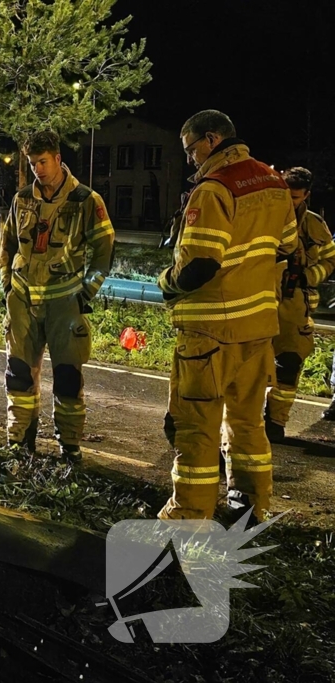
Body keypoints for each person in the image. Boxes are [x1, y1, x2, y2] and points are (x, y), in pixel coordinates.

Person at [157, 110, 297, 522]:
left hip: (211, 333)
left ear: (212, 139)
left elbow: (200, 264)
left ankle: (188, 515)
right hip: (258, 327)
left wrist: (166, 282)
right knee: (248, 422)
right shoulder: (274, 183)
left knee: (196, 426)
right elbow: (287, 245)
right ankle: (250, 505)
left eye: (191, 149)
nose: (190, 159)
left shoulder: (214, 189)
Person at [0, 130, 115, 460]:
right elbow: (6, 245)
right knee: (18, 374)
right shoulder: (22, 199)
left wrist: (86, 292)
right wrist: (7, 286)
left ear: (58, 159)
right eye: (32, 163)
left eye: (43, 162)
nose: (38, 169)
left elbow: (104, 250)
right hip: (23, 300)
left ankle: (70, 447)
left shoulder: (85, 200)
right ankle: (19, 442)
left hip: (64, 301)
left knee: (67, 377)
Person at [265, 167, 335, 438]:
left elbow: (330, 260)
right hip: (259, 297)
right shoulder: (263, 215)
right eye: (286, 194)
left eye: (295, 197)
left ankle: (275, 421)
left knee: (289, 363)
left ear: (306, 195)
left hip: (293, 304)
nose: (289, 201)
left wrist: (308, 277)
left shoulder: (313, 224)